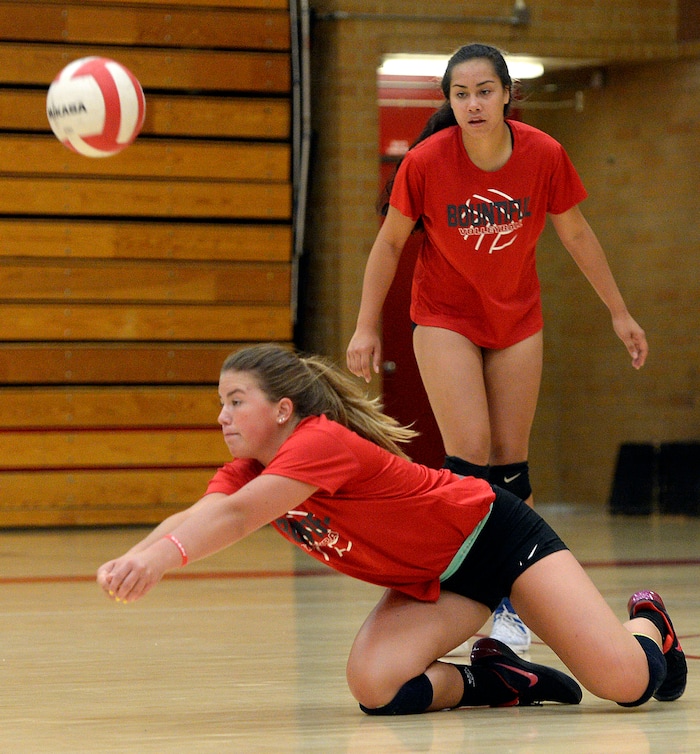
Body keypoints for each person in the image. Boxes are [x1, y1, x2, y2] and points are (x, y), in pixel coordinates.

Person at [97, 344, 685, 716]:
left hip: (495, 537)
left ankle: (650, 623)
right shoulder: (250, 470)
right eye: (220, 402)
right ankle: (499, 680)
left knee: (627, 687)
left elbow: (233, 516)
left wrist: (161, 561)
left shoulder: (319, 441)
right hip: (437, 578)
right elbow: (202, 513)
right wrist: (136, 556)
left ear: (282, 409)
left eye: (235, 400)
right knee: (377, 688)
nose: (221, 415)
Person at [346, 43, 649, 653]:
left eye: (484, 91)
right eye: (460, 94)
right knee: (470, 456)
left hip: (516, 319)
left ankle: (513, 604)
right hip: (443, 317)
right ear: (449, 102)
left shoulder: (543, 154)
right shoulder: (428, 161)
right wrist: (365, 326)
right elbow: (388, 245)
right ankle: (461, 588)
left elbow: (576, 232)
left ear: (508, 94)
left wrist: (619, 312)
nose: (473, 104)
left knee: (512, 462)